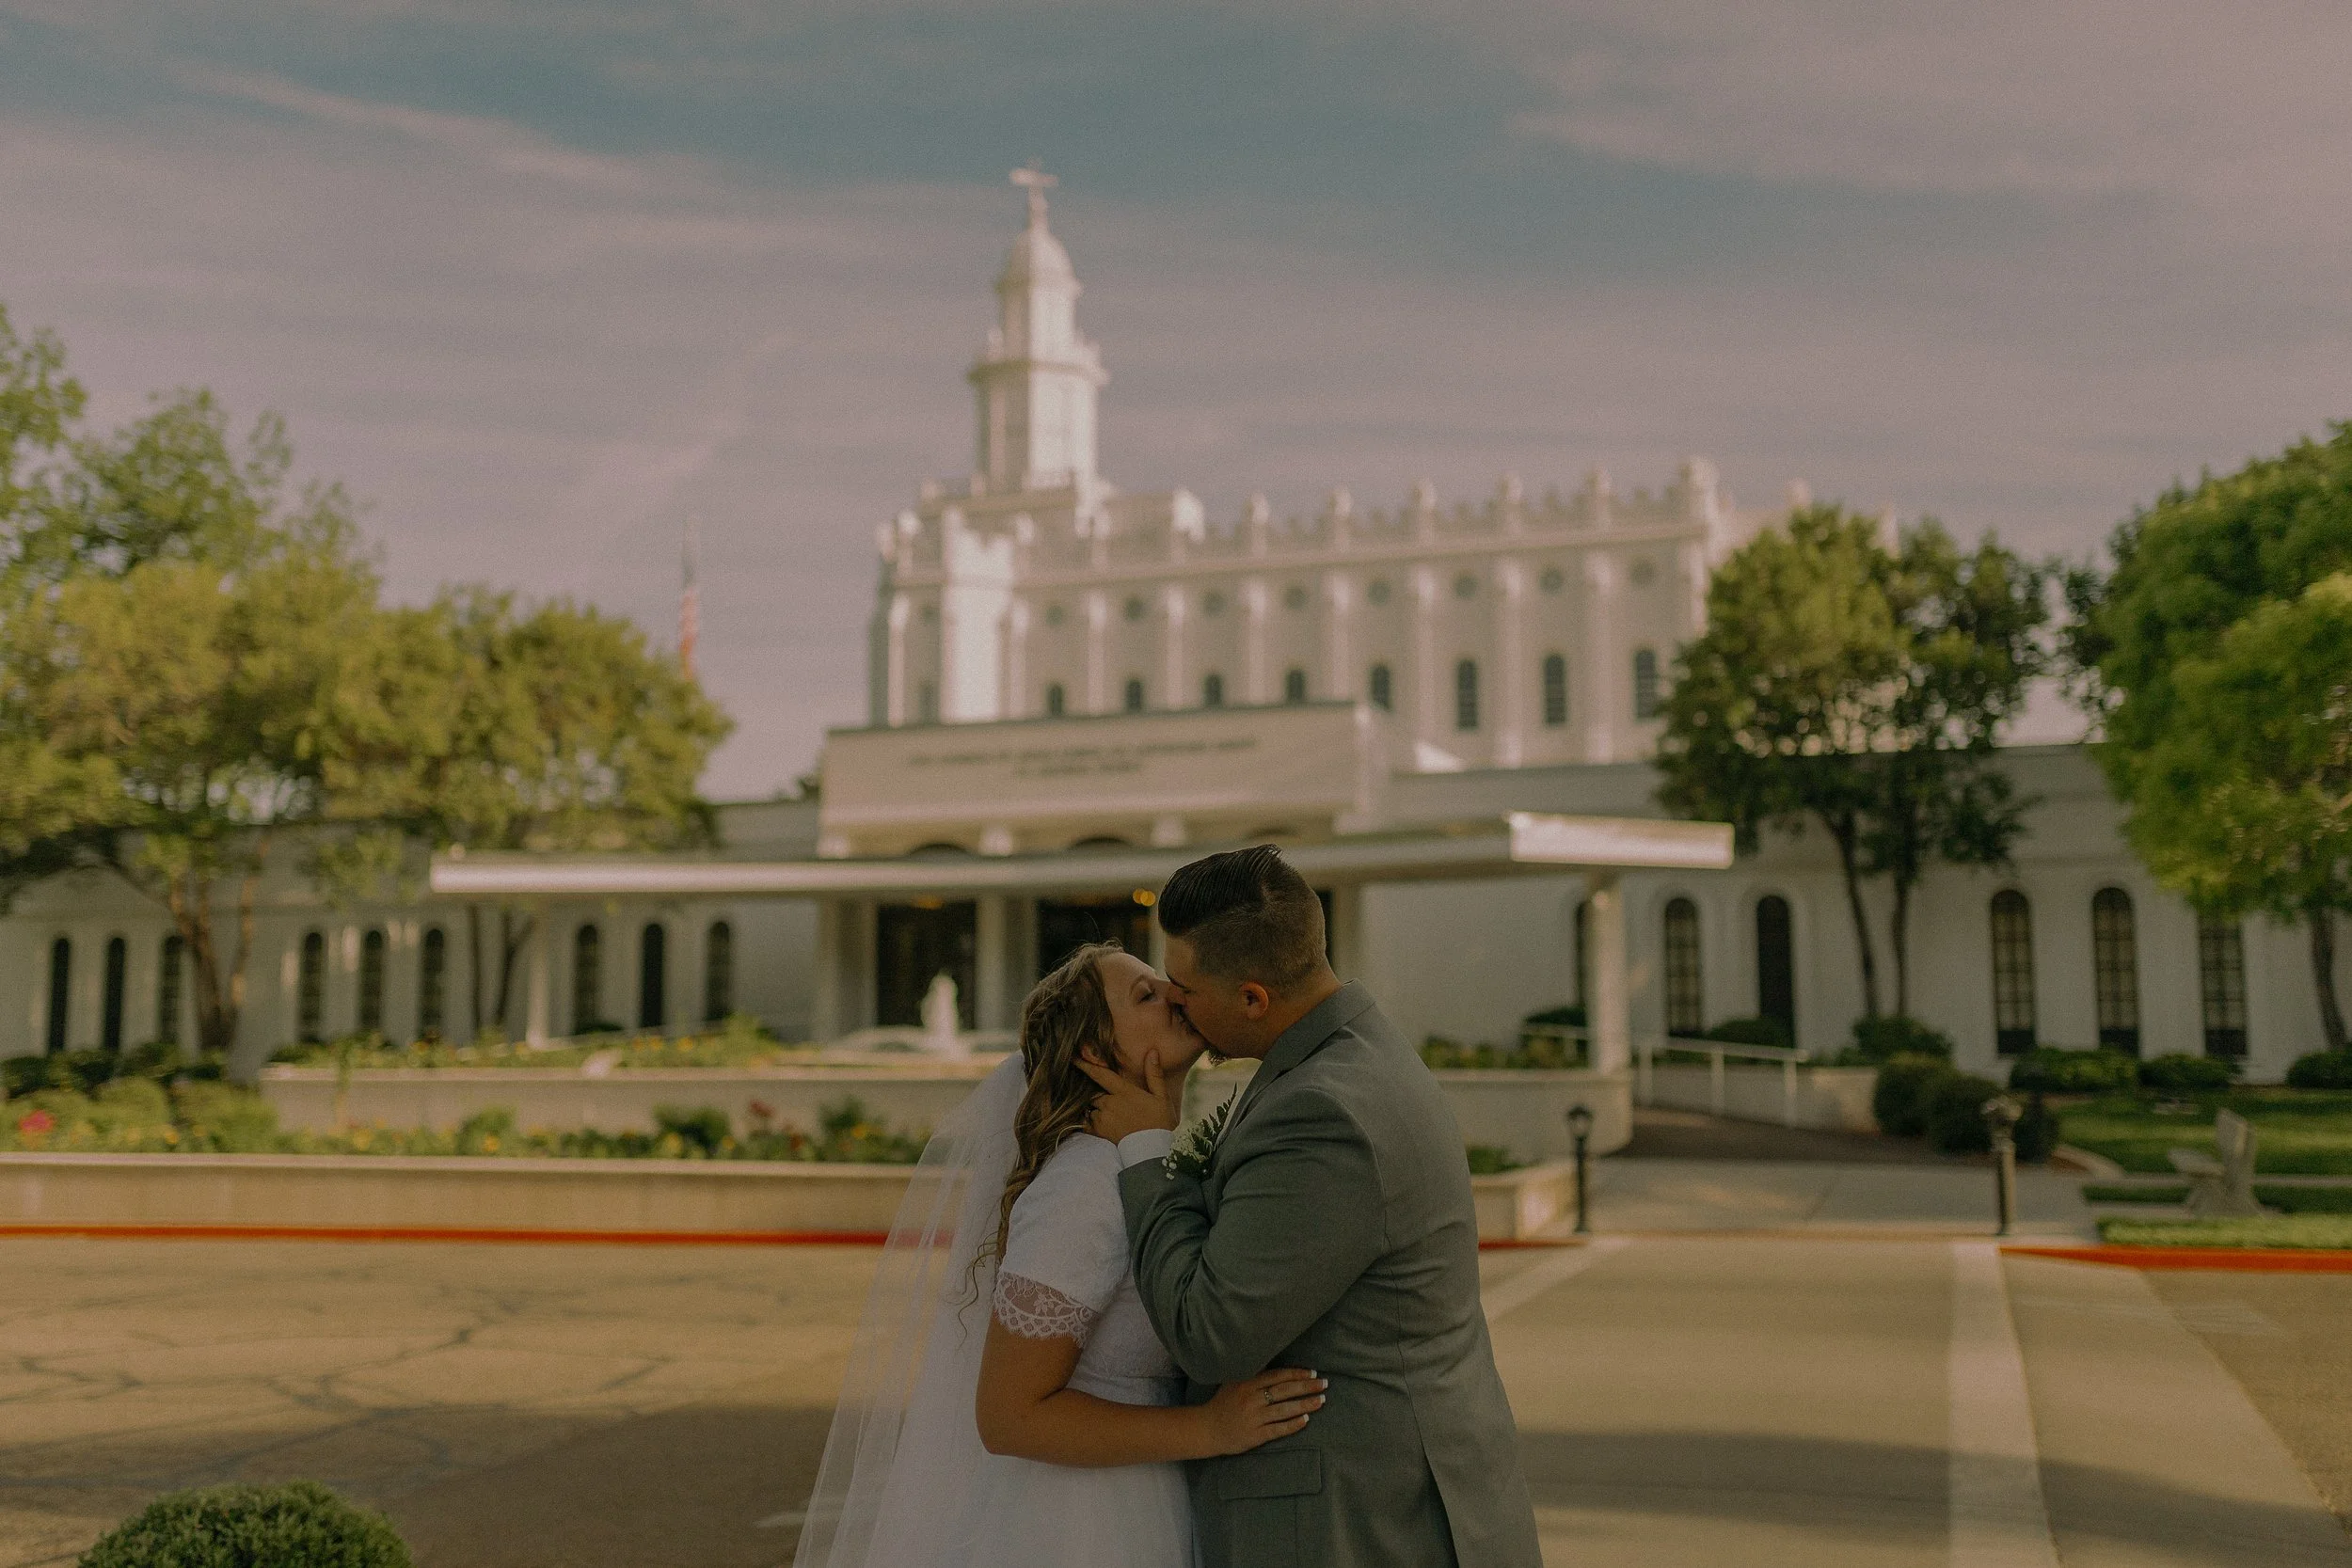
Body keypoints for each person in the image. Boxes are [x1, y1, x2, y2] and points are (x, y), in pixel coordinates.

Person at [793, 942, 1326, 1568]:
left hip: (1142, 1495)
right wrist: (1211, 1428)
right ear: (1095, 1053)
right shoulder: (1084, 1185)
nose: (1173, 994)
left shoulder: (1143, 1165)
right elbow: (1008, 1416)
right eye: (1144, 995)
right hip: (1078, 1524)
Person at [1082, 845, 1543, 1568]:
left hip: (1357, 1523)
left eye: (1183, 987)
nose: (1174, 1002)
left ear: (1253, 999)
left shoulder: (1323, 1109)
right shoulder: (1347, 1052)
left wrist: (1147, 1147)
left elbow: (1210, 1332)